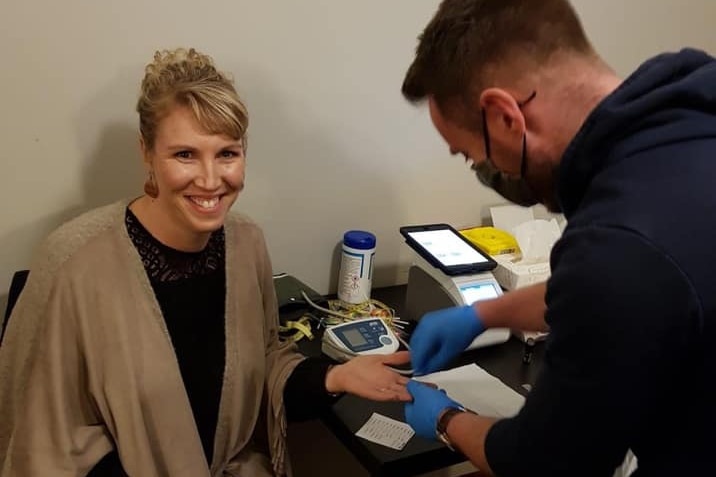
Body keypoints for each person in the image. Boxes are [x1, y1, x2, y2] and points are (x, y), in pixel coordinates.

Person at [0, 47, 411, 477]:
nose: (211, 180)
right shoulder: (73, 262)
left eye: (227, 154)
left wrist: (334, 379)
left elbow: (262, 367)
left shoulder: (246, 242)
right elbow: (42, 439)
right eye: (185, 155)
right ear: (146, 153)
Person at [400, 1, 715, 476]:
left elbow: (542, 464)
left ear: (506, 116)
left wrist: (445, 419)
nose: (486, 173)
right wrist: (483, 314)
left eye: (471, 156)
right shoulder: (688, 124)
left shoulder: (617, 242)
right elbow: (651, 290)